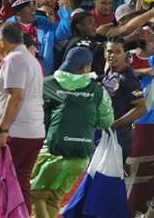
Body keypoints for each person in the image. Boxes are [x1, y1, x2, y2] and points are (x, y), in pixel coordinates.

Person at [30, 47, 114, 218]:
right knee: (53, 199)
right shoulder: (98, 90)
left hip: (50, 153)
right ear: (85, 67)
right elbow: (107, 121)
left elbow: (32, 116)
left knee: (36, 195)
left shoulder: (46, 84)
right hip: (81, 156)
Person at [0, 22, 45, 212]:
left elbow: (16, 96)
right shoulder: (31, 59)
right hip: (33, 132)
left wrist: (2, 130)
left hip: (15, 132)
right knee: (20, 182)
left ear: (2, 41)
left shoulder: (14, 59)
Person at [98, 37, 146, 162]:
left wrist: (114, 125)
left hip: (120, 136)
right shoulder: (109, 71)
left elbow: (141, 108)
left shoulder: (128, 79)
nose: (112, 55)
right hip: (105, 133)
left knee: (112, 177)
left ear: (126, 54)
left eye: (118, 52)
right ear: (104, 53)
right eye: (109, 51)